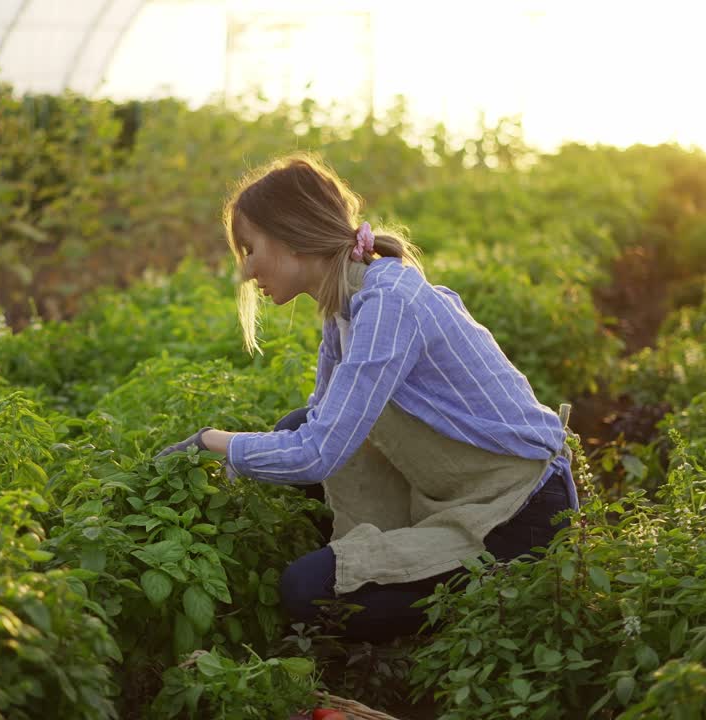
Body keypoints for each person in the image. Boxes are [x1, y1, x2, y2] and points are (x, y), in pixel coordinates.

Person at [154, 152, 577, 643]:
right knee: (294, 425)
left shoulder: (388, 304)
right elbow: (319, 423)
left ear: (291, 238)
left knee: (305, 591)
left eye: (250, 249)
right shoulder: (347, 303)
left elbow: (318, 454)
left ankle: (485, 603)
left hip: (514, 512)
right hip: (451, 488)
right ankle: (393, 564)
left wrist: (212, 442)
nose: (246, 271)